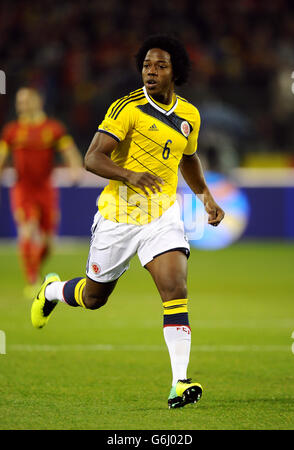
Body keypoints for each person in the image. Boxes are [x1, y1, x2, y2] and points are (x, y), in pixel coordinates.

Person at [31, 35, 225, 409]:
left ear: (175, 73)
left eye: (160, 66)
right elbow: (92, 158)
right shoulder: (127, 108)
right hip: (118, 217)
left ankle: (180, 383)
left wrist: (206, 198)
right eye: (147, 65)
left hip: (163, 213)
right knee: (93, 297)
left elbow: (188, 158)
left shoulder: (190, 115)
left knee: (175, 288)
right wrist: (129, 175)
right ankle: (51, 291)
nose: (151, 72)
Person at [0, 87, 83, 297]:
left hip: (45, 189)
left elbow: (70, 151)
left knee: (48, 243)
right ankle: (32, 279)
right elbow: (2, 156)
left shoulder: (53, 129)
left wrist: (75, 169)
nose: (21, 105)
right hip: (23, 189)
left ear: (38, 101)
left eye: (26, 100)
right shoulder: (12, 131)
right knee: (27, 230)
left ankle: (35, 269)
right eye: (19, 101)